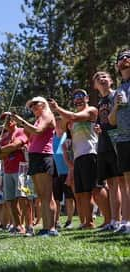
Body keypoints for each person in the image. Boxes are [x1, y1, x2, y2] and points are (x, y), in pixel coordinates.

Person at [49, 89, 110, 230]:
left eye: (81, 95)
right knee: (82, 193)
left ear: (87, 98)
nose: (78, 98)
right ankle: (88, 222)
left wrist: (58, 108)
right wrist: (58, 112)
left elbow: (74, 117)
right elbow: (63, 127)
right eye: (75, 96)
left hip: (91, 154)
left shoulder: (92, 110)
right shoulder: (73, 117)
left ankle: (109, 220)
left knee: (96, 188)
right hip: (78, 157)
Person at [11, 96, 58, 236]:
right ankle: (45, 228)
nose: (32, 107)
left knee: (48, 195)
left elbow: (38, 131)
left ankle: (51, 229)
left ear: (43, 104)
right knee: (41, 196)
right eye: (30, 106)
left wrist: (21, 121)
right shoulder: (38, 119)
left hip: (44, 157)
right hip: (35, 157)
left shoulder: (47, 115)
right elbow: (32, 136)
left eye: (35, 104)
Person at [92, 71, 123, 231]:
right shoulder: (100, 103)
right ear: (95, 86)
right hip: (104, 144)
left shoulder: (117, 95)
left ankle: (123, 221)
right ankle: (114, 221)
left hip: (117, 141)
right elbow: (101, 123)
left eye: (104, 76)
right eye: (98, 78)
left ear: (111, 81)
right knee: (111, 184)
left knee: (121, 183)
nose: (101, 79)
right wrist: (98, 128)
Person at [0, 113, 32, 236]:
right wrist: (4, 150)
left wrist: (2, 149)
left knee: (24, 198)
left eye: (9, 118)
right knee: (11, 201)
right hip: (7, 171)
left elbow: (16, 144)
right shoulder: (3, 138)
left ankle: (29, 226)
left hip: (21, 170)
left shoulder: (21, 131)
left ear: (14, 120)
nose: (7, 121)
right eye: (4, 120)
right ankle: (18, 226)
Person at [108, 49, 130, 234]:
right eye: (121, 58)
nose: (124, 60)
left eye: (127, 57)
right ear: (117, 66)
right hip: (123, 139)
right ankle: (127, 222)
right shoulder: (118, 90)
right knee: (127, 183)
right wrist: (116, 106)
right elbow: (112, 121)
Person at [52, 115, 75, 230]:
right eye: (56, 122)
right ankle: (56, 221)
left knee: (69, 198)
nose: (58, 124)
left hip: (68, 172)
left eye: (60, 121)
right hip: (55, 173)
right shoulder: (51, 138)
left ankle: (69, 220)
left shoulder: (68, 136)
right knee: (56, 199)